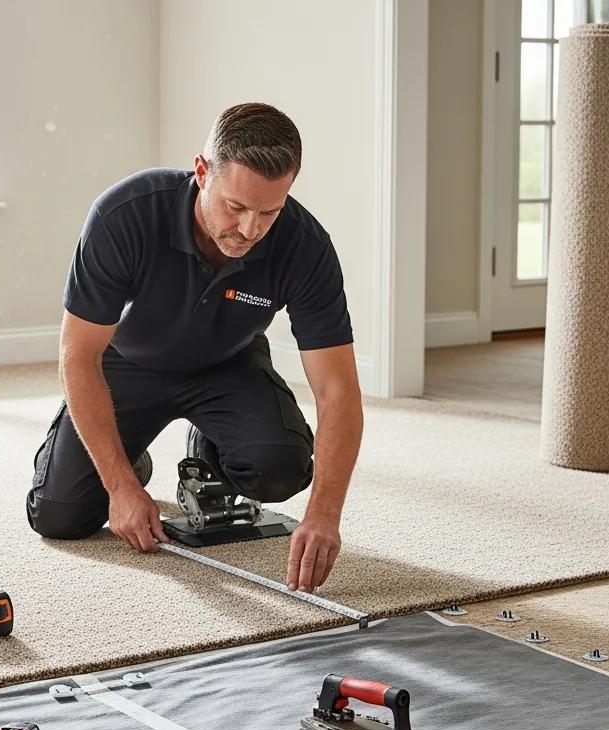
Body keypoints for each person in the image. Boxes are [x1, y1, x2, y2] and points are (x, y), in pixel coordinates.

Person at [25, 102, 363, 594]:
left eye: (269, 211)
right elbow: (78, 356)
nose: (250, 230)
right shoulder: (124, 216)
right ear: (202, 172)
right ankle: (129, 456)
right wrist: (121, 485)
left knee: (280, 469)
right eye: (236, 207)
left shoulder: (305, 247)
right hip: (127, 365)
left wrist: (325, 515)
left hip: (228, 365)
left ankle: (211, 450)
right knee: (59, 515)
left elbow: (338, 390)